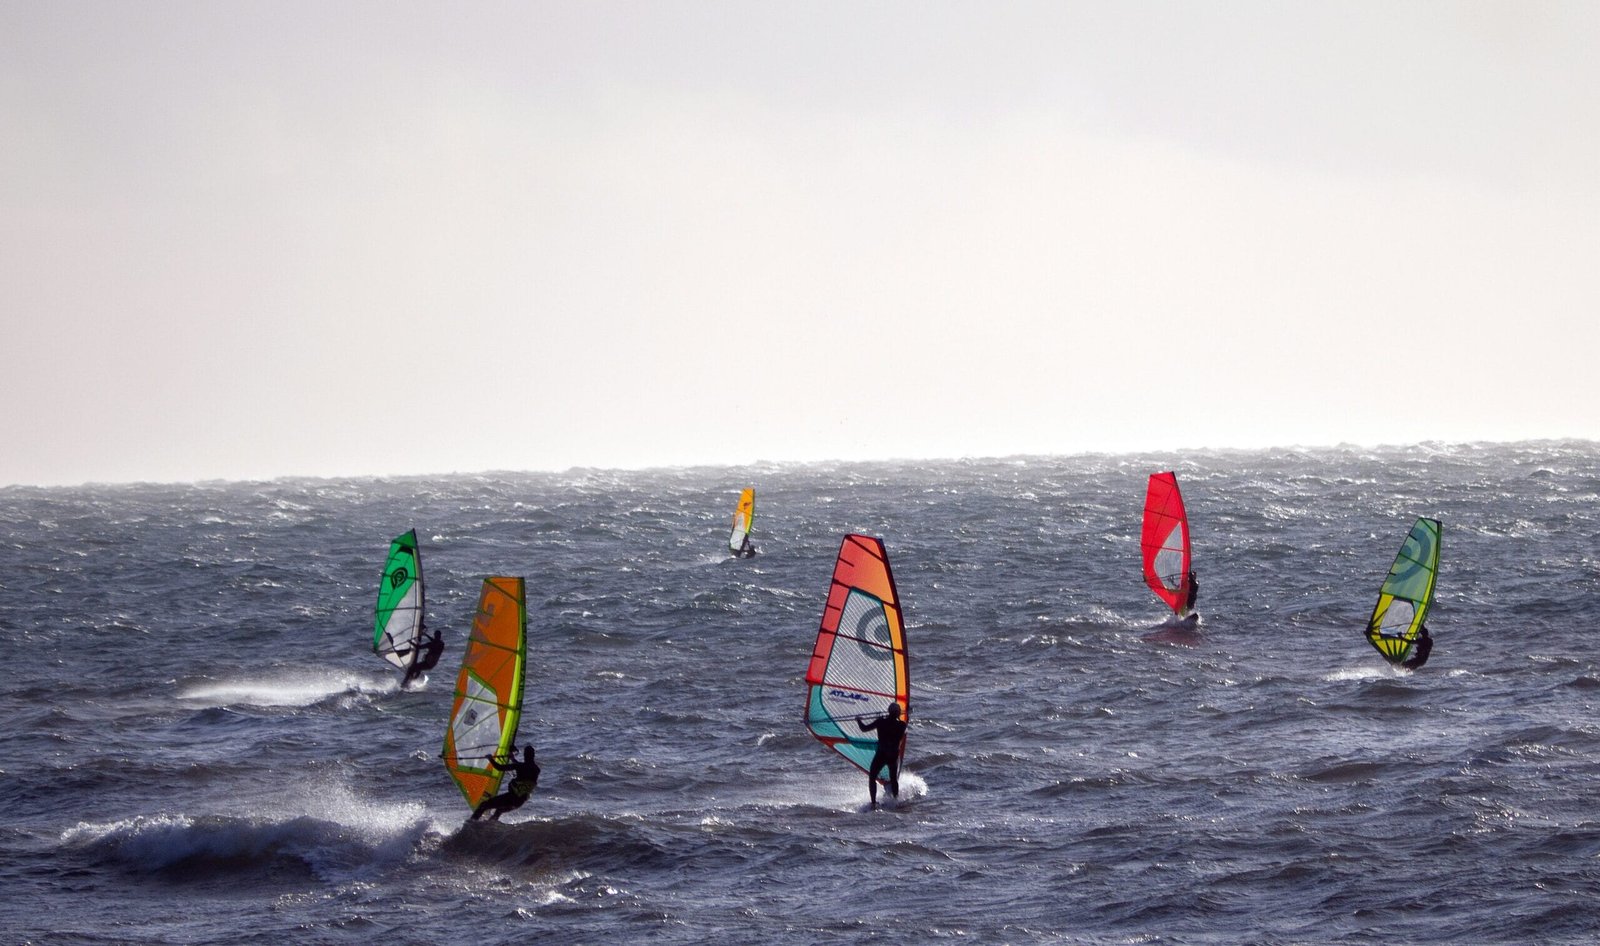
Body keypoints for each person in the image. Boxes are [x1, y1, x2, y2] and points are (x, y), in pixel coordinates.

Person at [855, 702, 908, 809]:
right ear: (898, 714)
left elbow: (864, 729)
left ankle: (873, 803)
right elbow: (901, 728)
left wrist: (858, 720)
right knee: (893, 779)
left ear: (888, 711)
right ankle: (895, 800)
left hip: (882, 754)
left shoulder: (881, 722)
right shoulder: (902, 725)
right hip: (893, 755)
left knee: (872, 777)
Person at [470, 745, 541, 822]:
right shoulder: (536, 769)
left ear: (524, 755)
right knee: (499, 811)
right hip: (520, 802)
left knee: (484, 805)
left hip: (511, 798)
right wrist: (512, 758)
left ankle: (471, 823)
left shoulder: (520, 766)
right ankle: (490, 825)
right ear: (533, 755)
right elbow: (522, 767)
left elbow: (499, 767)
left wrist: (490, 759)